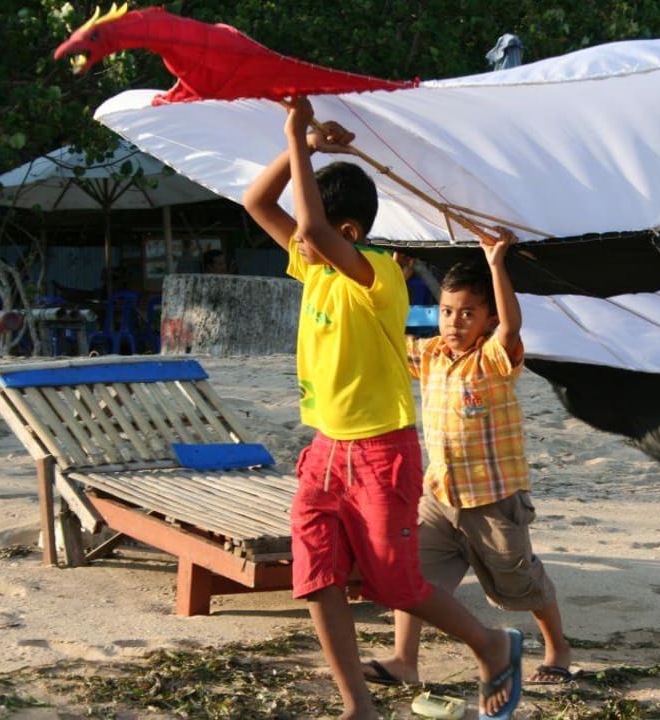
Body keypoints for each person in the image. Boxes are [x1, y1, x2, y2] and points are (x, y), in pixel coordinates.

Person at [242, 95, 523, 720]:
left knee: (393, 585)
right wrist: (305, 152)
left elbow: (311, 230)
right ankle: (358, 706)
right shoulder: (313, 269)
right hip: (324, 452)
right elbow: (255, 204)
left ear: (348, 234)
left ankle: (492, 643)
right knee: (315, 579)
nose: (300, 239)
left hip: (380, 453)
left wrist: (295, 128)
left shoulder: (378, 278)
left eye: (316, 230)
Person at [364, 238, 573, 690]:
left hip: (493, 501)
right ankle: (404, 661)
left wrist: (497, 264)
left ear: (487, 318)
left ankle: (557, 649)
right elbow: (379, 329)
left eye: (467, 313)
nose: (454, 322)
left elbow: (513, 326)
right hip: (437, 495)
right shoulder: (432, 356)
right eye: (446, 311)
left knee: (521, 582)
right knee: (411, 576)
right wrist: (396, 277)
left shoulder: (494, 360)